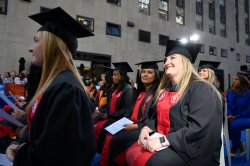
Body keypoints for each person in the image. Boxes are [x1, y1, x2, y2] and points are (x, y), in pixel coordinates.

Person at [5, 7, 96, 166]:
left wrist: (21, 153)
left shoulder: (66, 89)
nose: (30, 48)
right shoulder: (54, 83)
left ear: (52, 46)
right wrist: (20, 144)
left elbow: (57, 154)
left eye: (36, 40)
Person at [126, 40, 223, 166]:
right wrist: (146, 127)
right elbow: (157, 118)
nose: (167, 62)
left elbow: (199, 128)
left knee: (154, 162)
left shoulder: (201, 88)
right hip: (168, 142)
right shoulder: (165, 90)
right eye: (165, 60)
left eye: (172, 58)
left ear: (185, 62)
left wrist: (164, 140)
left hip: (192, 150)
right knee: (130, 150)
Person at [105, 60, 161, 166]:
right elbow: (129, 111)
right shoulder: (138, 92)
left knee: (116, 140)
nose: (145, 74)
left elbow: (155, 118)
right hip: (131, 123)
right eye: (143, 72)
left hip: (144, 128)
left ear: (156, 75)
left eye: (150, 72)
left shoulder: (157, 94)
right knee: (109, 134)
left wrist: (136, 126)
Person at [94, 62, 133, 154]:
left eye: (116, 75)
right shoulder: (116, 88)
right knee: (96, 124)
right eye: (113, 75)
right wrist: (103, 113)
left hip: (119, 119)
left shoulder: (128, 89)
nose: (113, 77)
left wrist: (109, 115)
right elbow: (109, 105)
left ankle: (100, 154)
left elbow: (126, 110)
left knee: (102, 130)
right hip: (112, 117)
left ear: (122, 75)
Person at [227, 74, 250, 156]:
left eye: (236, 79)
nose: (234, 81)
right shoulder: (230, 92)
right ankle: (239, 144)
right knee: (226, 123)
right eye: (233, 79)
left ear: (242, 81)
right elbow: (228, 107)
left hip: (246, 117)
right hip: (232, 117)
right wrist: (229, 115)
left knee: (233, 125)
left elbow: (248, 110)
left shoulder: (248, 93)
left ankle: (235, 146)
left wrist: (236, 117)